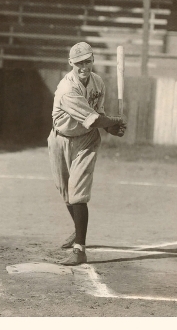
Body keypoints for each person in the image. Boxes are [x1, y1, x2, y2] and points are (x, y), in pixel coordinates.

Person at [47, 42, 127, 266]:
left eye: (88, 61)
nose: (84, 66)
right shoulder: (67, 89)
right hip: (60, 139)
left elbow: (98, 115)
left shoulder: (98, 82)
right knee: (65, 192)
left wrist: (111, 127)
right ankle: (78, 230)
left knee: (77, 193)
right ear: (71, 63)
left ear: (93, 60)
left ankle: (79, 249)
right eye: (79, 62)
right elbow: (96, 119)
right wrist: (114, 123)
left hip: (86, 140)